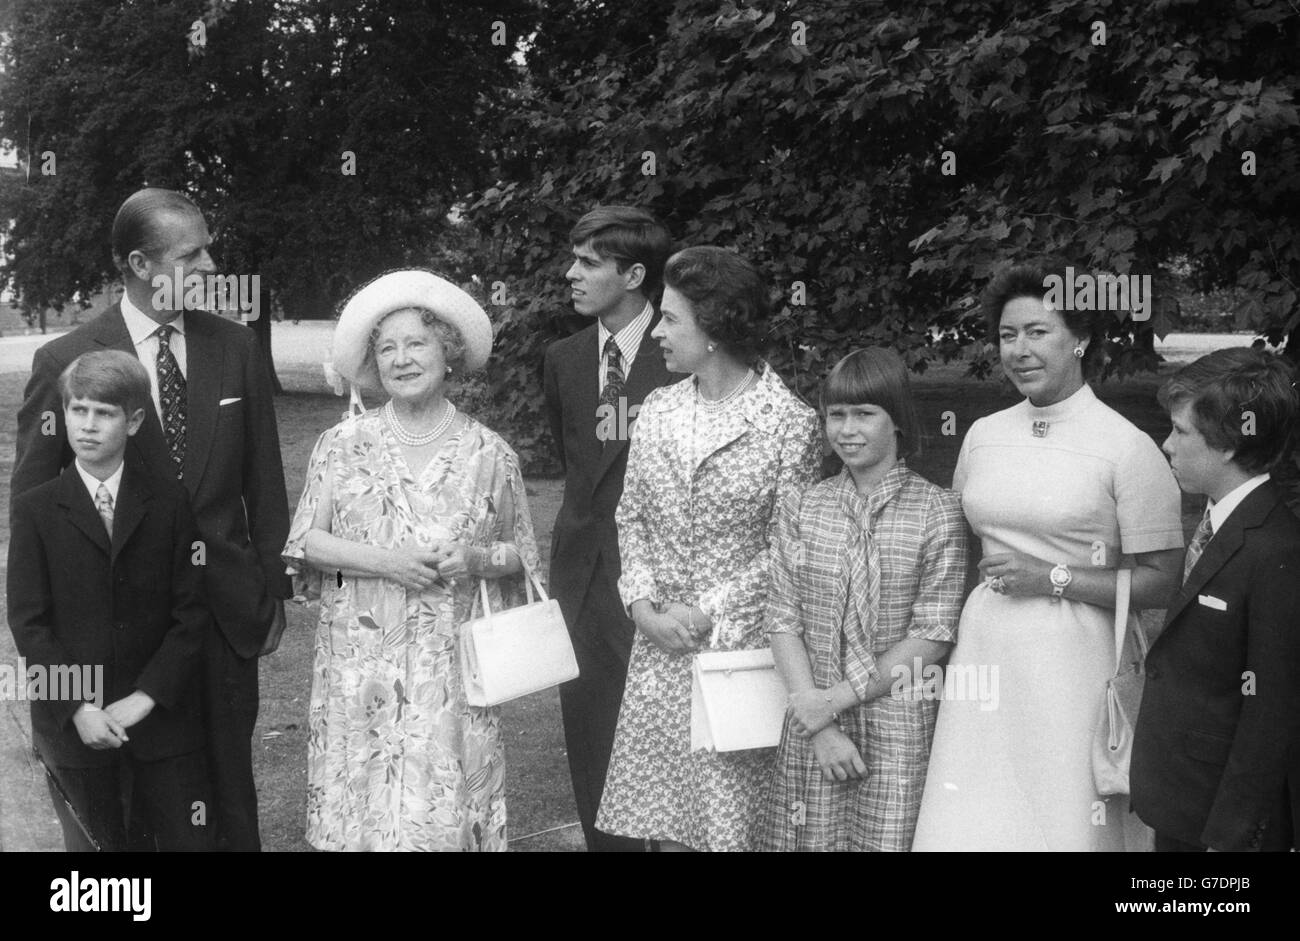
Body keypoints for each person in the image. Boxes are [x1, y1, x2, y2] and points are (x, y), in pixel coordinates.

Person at [11, 188, 291, 852]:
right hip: (119, 635)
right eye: (192, 254)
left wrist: (272, 591)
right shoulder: (64, 361)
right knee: (120, 823)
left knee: (227, 803)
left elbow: (265, 480)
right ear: (139, 263)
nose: (213, 267)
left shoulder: (235, 347)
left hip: (223, 622)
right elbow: (38, 515)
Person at [911, 261, 1185, 851]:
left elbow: (1164, 581)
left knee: (1062, 812)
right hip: (986, 649)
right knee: (981, 809)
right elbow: (958, 545)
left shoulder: (1126, 447)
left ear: (1080, 338)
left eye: (1038, 332)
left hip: (1076, 658)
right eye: (1008, 336)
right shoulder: (982, 434)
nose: (1019, 350)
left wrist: (1052, 577)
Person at [282, 269, 541, 851]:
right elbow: (306, 542)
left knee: (443, 815)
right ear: (374, 365)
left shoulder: (490, 453)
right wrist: (388, 562)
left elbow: (519, 558)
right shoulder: (342, 444)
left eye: (416, 343)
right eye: (387, 348)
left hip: (449, 672)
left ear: (447, 353)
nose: (402, 359)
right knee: (363, 811)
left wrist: (473, 556)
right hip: (359, 667)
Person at [595, 246, 823, 851]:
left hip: (737, 654)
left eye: (670, 319)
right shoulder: (658, 412)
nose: (658, 334)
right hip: (658, 649)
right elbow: (631, 517)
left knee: (731, 828)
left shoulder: (788, 422)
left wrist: (709, 611)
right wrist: (642, 606)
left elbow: (789, 549)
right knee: (666, 828)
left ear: (716, 325)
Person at [756, 348, 967, 851]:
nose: (847, 429)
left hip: (897, 722)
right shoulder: (804, 505)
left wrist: (834, 702)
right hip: (813, 717)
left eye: (864, 414)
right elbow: (782, 617)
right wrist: (819, 721)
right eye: (836, 414)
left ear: (897, 422)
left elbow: (932, 635)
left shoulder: (937, 511)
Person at [7, 351, 213, 851]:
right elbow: (29, 623)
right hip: (75, 727)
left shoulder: (168, 504)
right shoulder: (36, 510)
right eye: (79, 410)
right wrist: (78, 707)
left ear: (135, 420)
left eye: (105, 413)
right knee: (96, 862)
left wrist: (144, 699)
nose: (89, 426)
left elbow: (191, 614)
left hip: (160, 721)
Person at [542, 206, 680, 852]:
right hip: (581, 587)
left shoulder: (684, 352)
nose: (571, 273)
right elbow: (579, 471)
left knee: (675, 761)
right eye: (573, 258)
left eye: (588, 262)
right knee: (594, 753)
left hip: (662, 589)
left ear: (633, 275)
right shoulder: (564, 359)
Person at [1132, 348, 1300, 851]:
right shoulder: (1215, 525)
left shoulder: (1277, 549)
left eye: (1181, 432)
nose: (1167, 445)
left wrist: (1230, 837)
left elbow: (1271, 713)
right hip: (1182, 800)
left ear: (1228, 444)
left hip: (1221, 824)